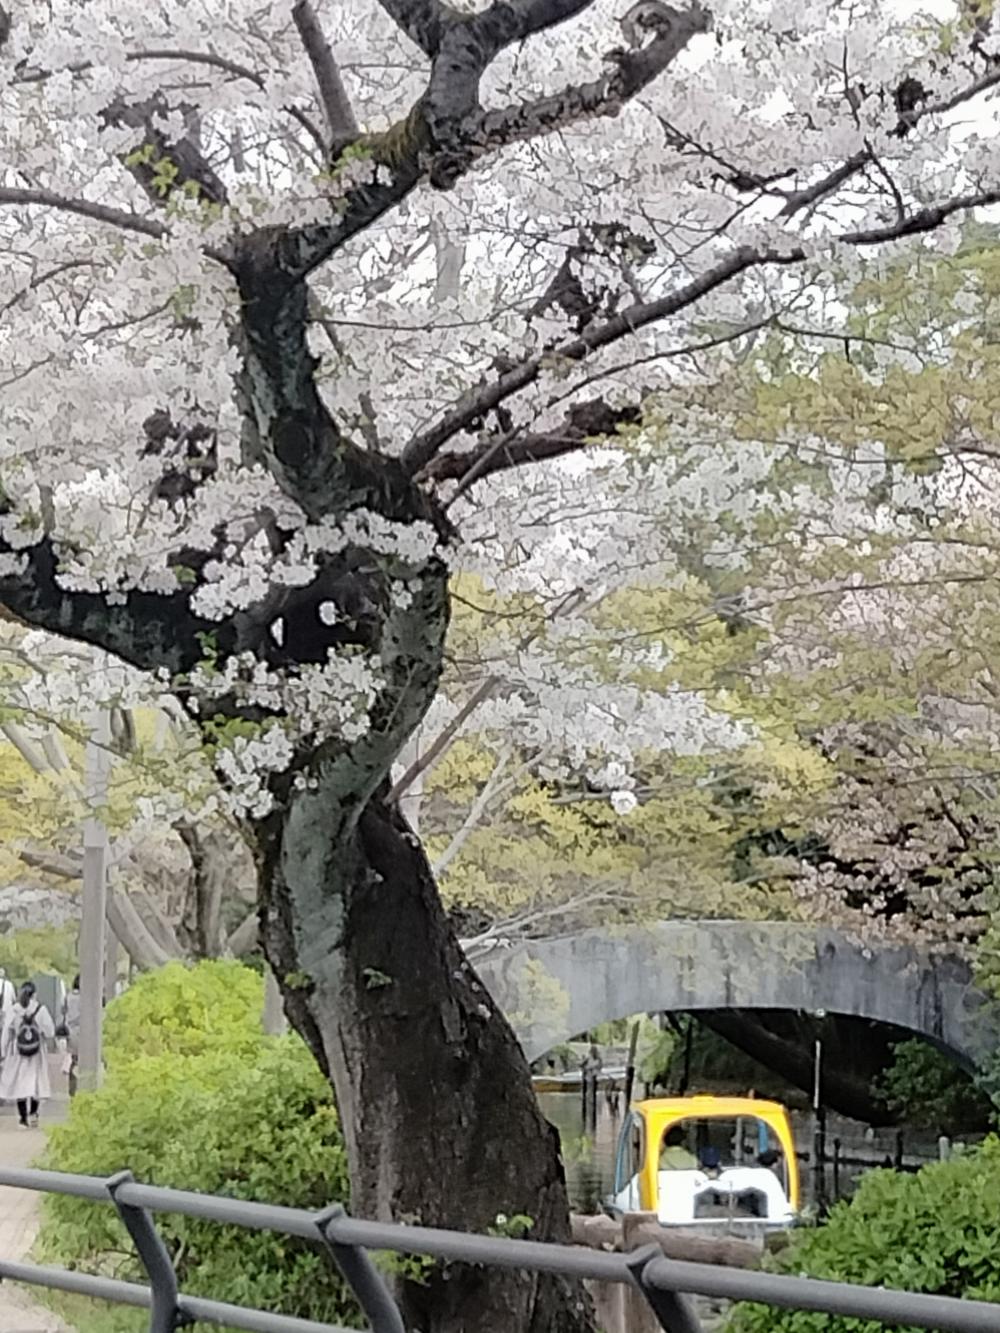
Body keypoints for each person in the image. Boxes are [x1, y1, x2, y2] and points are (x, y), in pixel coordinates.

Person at [0, 982, 55, 1127]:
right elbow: (50, 1031)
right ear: (34, 994)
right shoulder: (40, 1009)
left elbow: (7, 1032)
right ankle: (34, 1114)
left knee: (20, 1083)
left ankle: (23, 1118)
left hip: (18, 1052)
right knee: (36, 1083)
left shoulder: (14, 1010)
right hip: (37, 1052)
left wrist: (3, 1050)